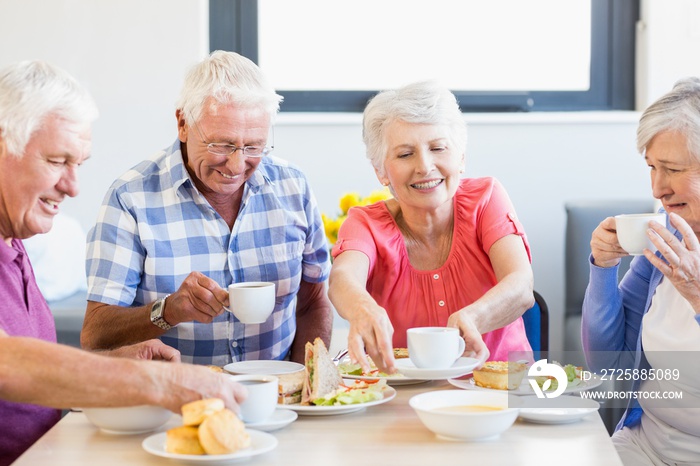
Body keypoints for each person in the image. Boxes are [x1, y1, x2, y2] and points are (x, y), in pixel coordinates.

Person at [0, 60, 246, 466]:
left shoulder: (14, 238)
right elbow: (7, 364)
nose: (74, 186)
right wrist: (158, 383)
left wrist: (110, 365)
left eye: (79, 163)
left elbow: (29, 367)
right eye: (57, 161)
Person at [81, 51, 332, 366]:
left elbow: (313, 303)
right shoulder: (131, 198)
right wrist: (168, 310)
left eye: (253, 146)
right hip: (175, 400)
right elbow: (95, 334)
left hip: (278, 396)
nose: (237, 165)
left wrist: (304, 383)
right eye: (222, 145)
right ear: (183, 124)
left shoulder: (293, 187)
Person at [328, 81, 534, 374]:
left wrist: (475, 317)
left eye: (438, 148)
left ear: (460, 157)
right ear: (380, 171)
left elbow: (522, 284)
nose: (425, 166)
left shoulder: (486, 198)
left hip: (504, 385)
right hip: (404, 397)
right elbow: (342, 279)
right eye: (404, 154)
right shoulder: (366, 223)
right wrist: (362, 307)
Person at [583, 77, 700, 465]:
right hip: (643, 445)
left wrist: (697, 294)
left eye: (671, 169)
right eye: (651, 167)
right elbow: (606, 362)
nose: (657, 188)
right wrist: (603, 267)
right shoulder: (666, 238)